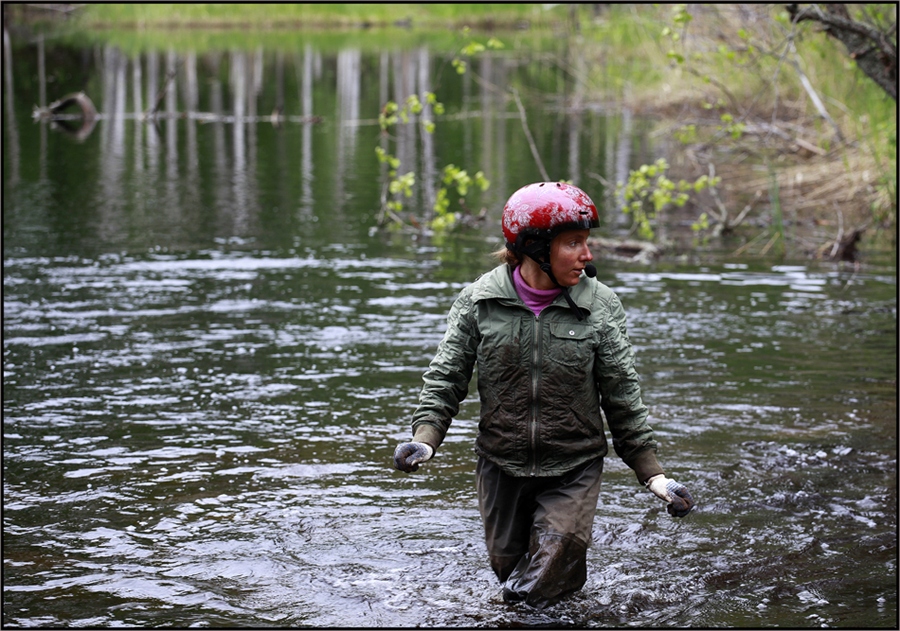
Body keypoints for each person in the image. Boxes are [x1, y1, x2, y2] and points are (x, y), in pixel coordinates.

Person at [393, 181, 695, 608]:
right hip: (501, 466)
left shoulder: (601, 306)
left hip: (573, 467)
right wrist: (424, 440)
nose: (587, 255)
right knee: (516, 578)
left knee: (533, 589)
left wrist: (654, 475)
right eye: (574, 243)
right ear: (534, 247)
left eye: (586, 242)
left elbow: (622, 395)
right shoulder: (478, 302)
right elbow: (446, 379)